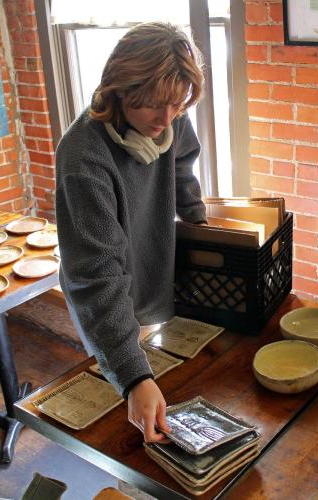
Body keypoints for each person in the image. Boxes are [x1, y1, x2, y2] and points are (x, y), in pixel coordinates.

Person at [55, 22, 206, 443]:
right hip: (104, 285)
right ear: (120, 89)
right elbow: (98, 276)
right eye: (155, 106)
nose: (167, 119)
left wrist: (196, 214)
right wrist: (134, 376)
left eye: (177, 105)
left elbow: (182, 160)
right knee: (127, 400)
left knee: (159, 385)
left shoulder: (169, 108)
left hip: (149, 261)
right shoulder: (83, 156)